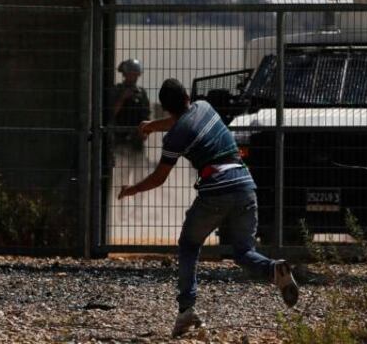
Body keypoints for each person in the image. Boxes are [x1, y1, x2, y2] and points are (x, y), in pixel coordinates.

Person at [118, 78, 298, 338]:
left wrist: (132, 189)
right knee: (244, 251)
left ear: (167, 108)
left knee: (189, 245)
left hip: (216, 190)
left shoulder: (175, 137)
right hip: (245, 185)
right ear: (187, 98)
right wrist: (152, 126)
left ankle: (186, 310)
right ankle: (273, 269)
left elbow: (159, 177)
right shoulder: (204, 107)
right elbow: (181, 119)